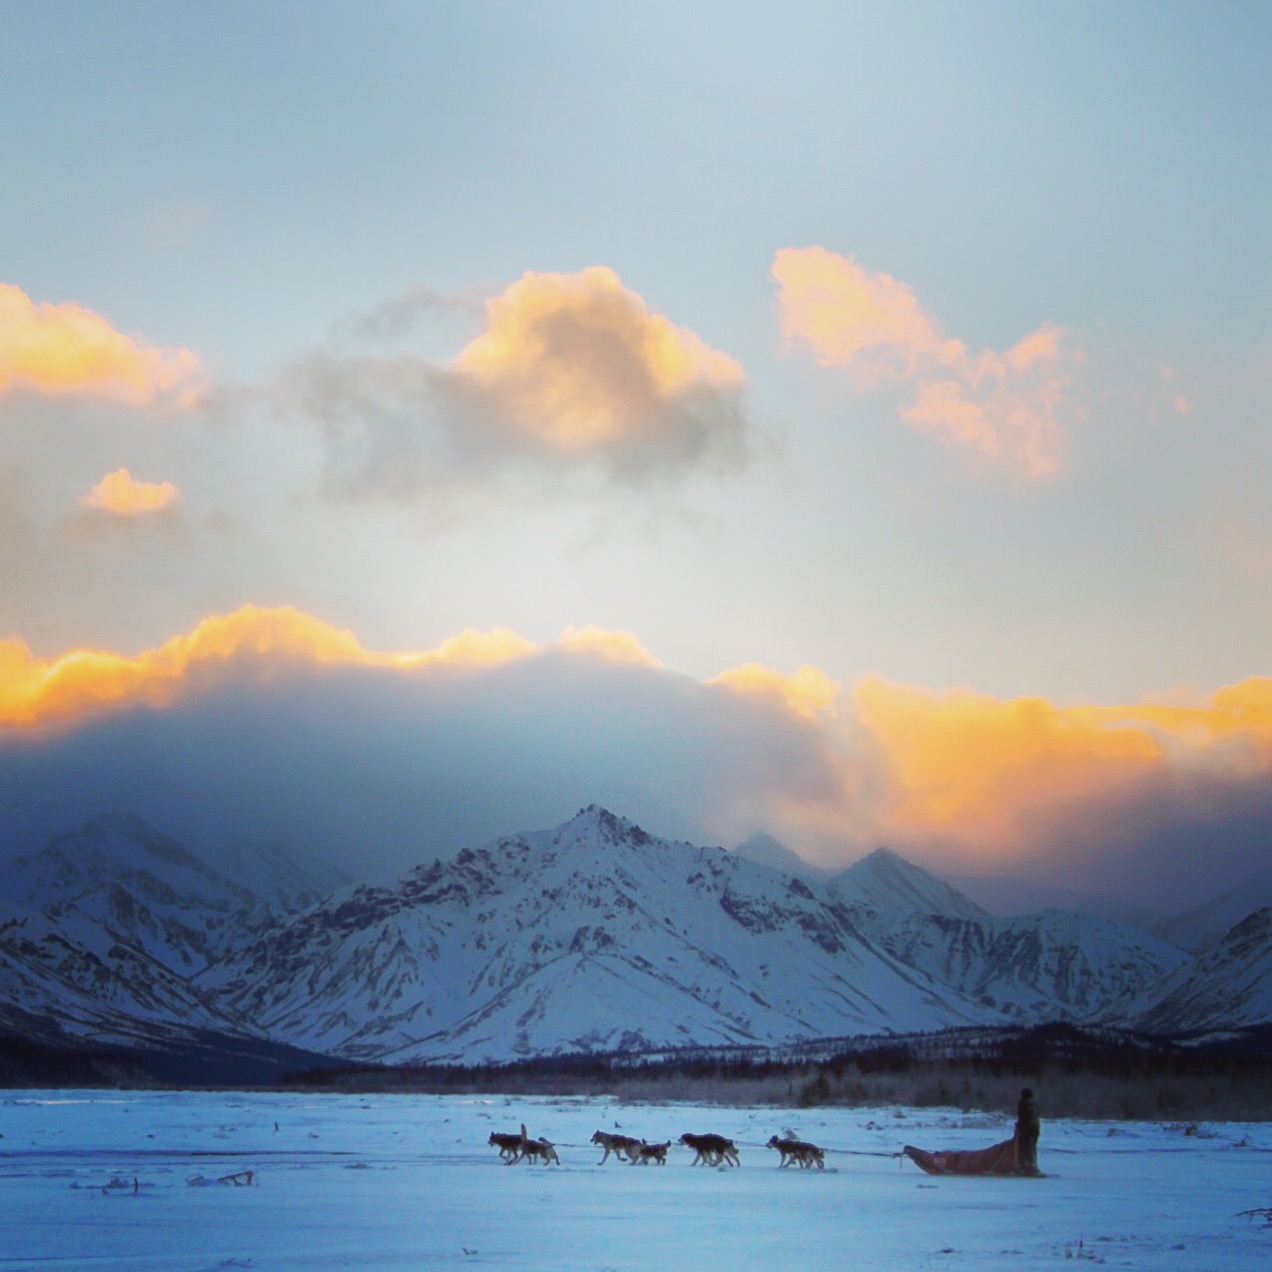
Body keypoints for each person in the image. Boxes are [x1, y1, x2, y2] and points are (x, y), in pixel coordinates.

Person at [1015, 1087, 1041, 1175]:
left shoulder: (1023, 1104)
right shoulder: (1034, 1104)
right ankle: (1033, 1165)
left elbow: (1023, 1118)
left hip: (1027, 1129)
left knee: (1025, 1148)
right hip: (1035, 1128)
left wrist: (1019, 1128)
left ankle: (1026, 1166)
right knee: (1032, 1147)